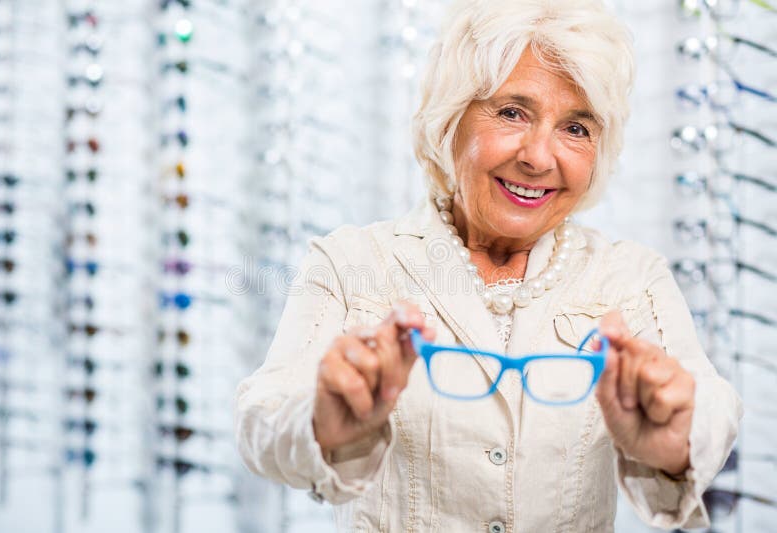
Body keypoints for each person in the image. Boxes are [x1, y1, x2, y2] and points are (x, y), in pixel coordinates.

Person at [234, 0, 743, 530]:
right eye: (511, 112)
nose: (539, 158)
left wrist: (677, 441)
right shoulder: (349, 263)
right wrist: (322, 419)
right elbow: (262, 416)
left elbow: (711, 404)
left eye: (576, 128)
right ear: (449, 119)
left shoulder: (632, 277)